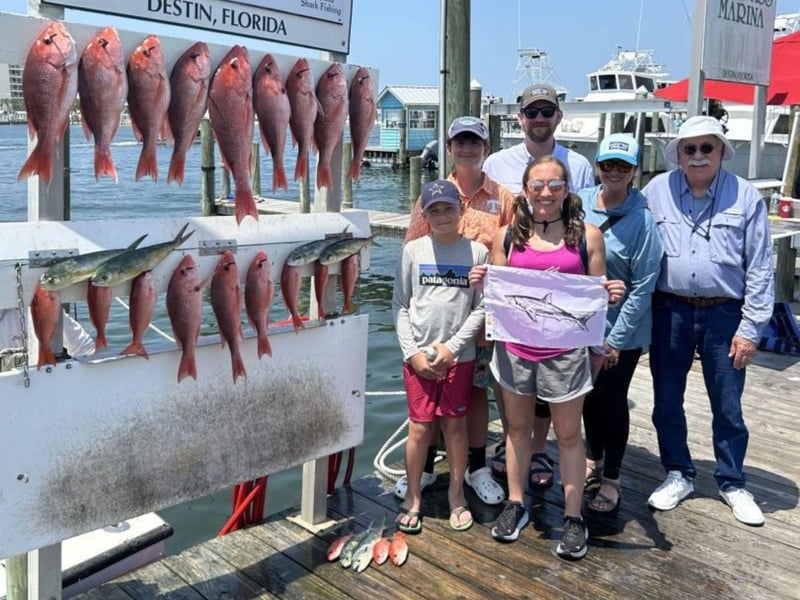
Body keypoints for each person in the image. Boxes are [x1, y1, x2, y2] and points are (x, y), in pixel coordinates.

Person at [470, 156, 623, 559]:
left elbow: (595, 293)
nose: (545, 193)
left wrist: (608, 295)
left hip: (566, 354)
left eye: (555, 185)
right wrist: (482, 283)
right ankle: (516, 504)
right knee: (516, 432)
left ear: (567, 190)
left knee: (569, 436)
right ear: (525, 190)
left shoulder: (588, 236)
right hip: (515, 351)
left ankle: (574, 518)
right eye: (537, 185)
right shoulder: (506, 236)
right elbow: (496, 298)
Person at [641, 116, 774, 526]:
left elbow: (762, 268)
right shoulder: (655, 190)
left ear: (720, 151)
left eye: (706, 148)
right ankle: (678, 471)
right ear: (678, 153)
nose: (697, 156)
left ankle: (732, 480)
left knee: (728, 404)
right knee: (666, 400)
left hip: (725, 312)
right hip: (670, 309)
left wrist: (750, 329)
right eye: (689, 148)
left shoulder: (747, 196)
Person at [396, 115, 514, 507]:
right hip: (433, 321)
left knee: (475, 395)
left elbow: (516, 254)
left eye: (474, 142)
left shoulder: (504, 196)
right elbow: (413, 252)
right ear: (449, 147)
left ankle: (476, 469)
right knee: (426, 404)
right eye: (459, 142)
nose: (467, 149)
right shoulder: (430, 195)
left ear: (486, 147)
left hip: (480, 318)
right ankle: (426, 467)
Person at [482, 83, 595, 490]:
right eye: (533, 112)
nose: (540, 118)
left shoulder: (579, 164)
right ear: (520, 118)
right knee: (511, 375)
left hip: (562, 289)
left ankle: (541, 447)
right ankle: (515, 447)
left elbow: (586, 227)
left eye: (547, 110)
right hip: (510, 280)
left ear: (558, 116)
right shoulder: (496, 162)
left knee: (556, 377)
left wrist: (598, 293)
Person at [392, 179, 489, 534]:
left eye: (449, 208)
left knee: (454, 426)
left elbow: (481, 309)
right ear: (425, 215)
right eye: (435, 210)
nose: (443, 215)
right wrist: (413, 353)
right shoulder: (413, 251)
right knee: (419, 427)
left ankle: (456, 494)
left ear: (460, 210)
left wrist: (453, 348)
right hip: (418, 357)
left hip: (459, 359)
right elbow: (400, 305)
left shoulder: (477, 253)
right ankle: (413, 495)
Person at [578, 133, 663, 514]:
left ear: (635, 171)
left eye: (623, 166)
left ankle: (611, 477)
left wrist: (615, 339)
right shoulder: (578, 204)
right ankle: (592, 459)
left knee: (612, 401)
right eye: (607, 164)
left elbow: (644, 286)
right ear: (597, 166)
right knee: (585, 399)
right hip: (579, 327)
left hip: (619, 333)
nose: (614, 172)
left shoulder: (643, 220)